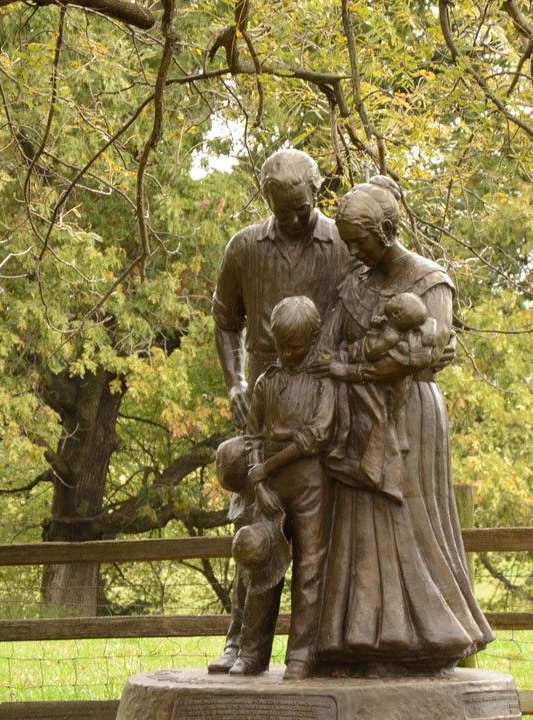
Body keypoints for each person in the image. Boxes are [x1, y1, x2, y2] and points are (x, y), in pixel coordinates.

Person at [310, 177, 493, 674]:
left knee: (407, 524)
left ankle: (427, 639)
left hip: (409, 414)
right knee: (358, 531)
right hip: (357, 415)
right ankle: (358, 640)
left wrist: (365, 363)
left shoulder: (428, 281)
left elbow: (427, 352)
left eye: (360, 241)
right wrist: (356, 363)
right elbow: (327, 344)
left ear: (387, 231)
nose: (352, 250)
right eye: (347, 241)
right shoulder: (354, 282)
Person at [208, 149, 351, 673]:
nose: (291, 218)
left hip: (321, 404)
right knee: (255, 529)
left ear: (318, 193)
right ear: (266, 198)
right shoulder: (244, 248)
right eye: (281, 209)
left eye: (301, 208)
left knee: (320, 542)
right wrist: (236, 383)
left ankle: (317, 648)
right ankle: (242, 643)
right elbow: (225, 320)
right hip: (264, 407)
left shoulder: (341, 242)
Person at [229, 296, 335, 680]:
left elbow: (316, 436)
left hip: (310, 486)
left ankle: (302, 656)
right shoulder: (266, 382)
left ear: (312, 338)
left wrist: (265, 468)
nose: (286, 353)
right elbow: (253, 433)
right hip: (270, 488)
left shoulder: (324, 383)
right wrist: (259, 480)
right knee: (260, 559)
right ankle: (252, 652)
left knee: (309, 570)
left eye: (294, 346)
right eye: (280, 345)